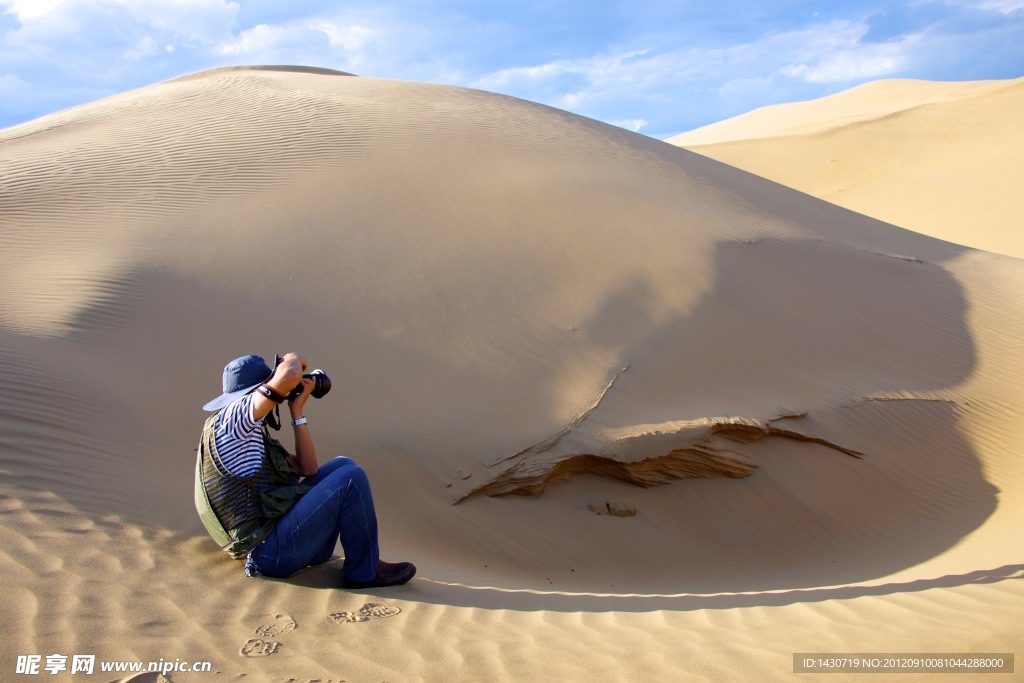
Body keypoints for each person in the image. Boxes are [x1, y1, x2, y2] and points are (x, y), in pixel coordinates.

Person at [194, 352, 415, 588]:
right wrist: (289, 360)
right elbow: (290, 373)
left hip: (278, 542)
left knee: (344, 465)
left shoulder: (249, 430)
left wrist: (296, 410)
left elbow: (307, 468)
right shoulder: (233, 420)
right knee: (352, 478)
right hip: (267, 555)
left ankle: (329, 555)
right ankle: (364, 572)